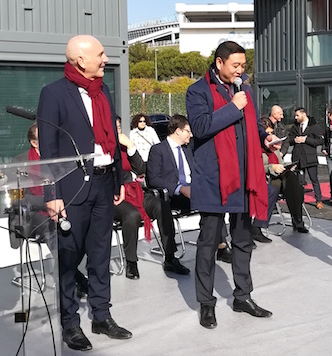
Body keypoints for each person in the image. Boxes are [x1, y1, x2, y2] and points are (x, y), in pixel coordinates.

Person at [37, 35, 132, 351]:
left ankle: (101, 316)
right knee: (69, 258)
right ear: (80, 60)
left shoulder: (103, 90)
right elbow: (48, 150)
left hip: (104, 185)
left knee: (101, 253)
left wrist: (118, 179)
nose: (106, 59)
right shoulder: (53, 94)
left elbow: (112, 139)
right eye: (101, 54)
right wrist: (52, 194)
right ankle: (70, 324)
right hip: (72, 188)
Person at [186, 41, 275, 329]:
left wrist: (265, 137)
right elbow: (200, 127)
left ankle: (243, 296)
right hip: (215, 178)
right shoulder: (198, 91)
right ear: (219, 62)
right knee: (209, 242)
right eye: (235, 65)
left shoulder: (244, 89)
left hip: (245, 176)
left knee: (243, 240)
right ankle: (206, 303)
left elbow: (253, 124)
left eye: (243, 66)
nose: (240, 70)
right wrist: (233, 107)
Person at [146, 115, 234, 262]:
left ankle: (220, 245)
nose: (191, 135)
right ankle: (170, 257)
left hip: (194, 190)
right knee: (165, 208)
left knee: (215, 199)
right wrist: (180, 188)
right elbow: (153, 179)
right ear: (178, 131)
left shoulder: (188, 149)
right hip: (173, 195)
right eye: (188, 131)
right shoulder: (158, 150)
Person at [113, 116, 190, 280]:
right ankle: (131, 261)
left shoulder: (124, 147)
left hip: (133, 190)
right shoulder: (101, 149)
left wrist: (131, 147)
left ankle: (170, 257)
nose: (117, 132)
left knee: (161, 206)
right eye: (114, 128)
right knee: (132, 215)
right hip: (113, 195)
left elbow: (141, 170)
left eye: (119, 128)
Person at [260, 118, 309, 233]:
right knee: (291, 185)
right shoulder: (256, 149)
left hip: (281, 175)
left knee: (293, 182)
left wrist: (286, 166)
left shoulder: (274, 147)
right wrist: (271, 167)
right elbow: (255, 167)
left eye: (271, 132)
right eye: (267, 133)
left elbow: (280, 162)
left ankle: (297, 220)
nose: (270, 136)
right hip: (268, 179)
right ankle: (297, 221)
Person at [288, 107, 325, 209]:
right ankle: (300, 200)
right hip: (298, 158)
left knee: (314, 180)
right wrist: (294, 140)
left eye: (297, 115)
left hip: (310, 158)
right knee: (299, 181)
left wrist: (306, 140)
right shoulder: (295, 126)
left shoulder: (314, 126)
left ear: (303, 114)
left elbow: (319, 141)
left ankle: (319, 200)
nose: (296, 117)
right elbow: (289, 139)